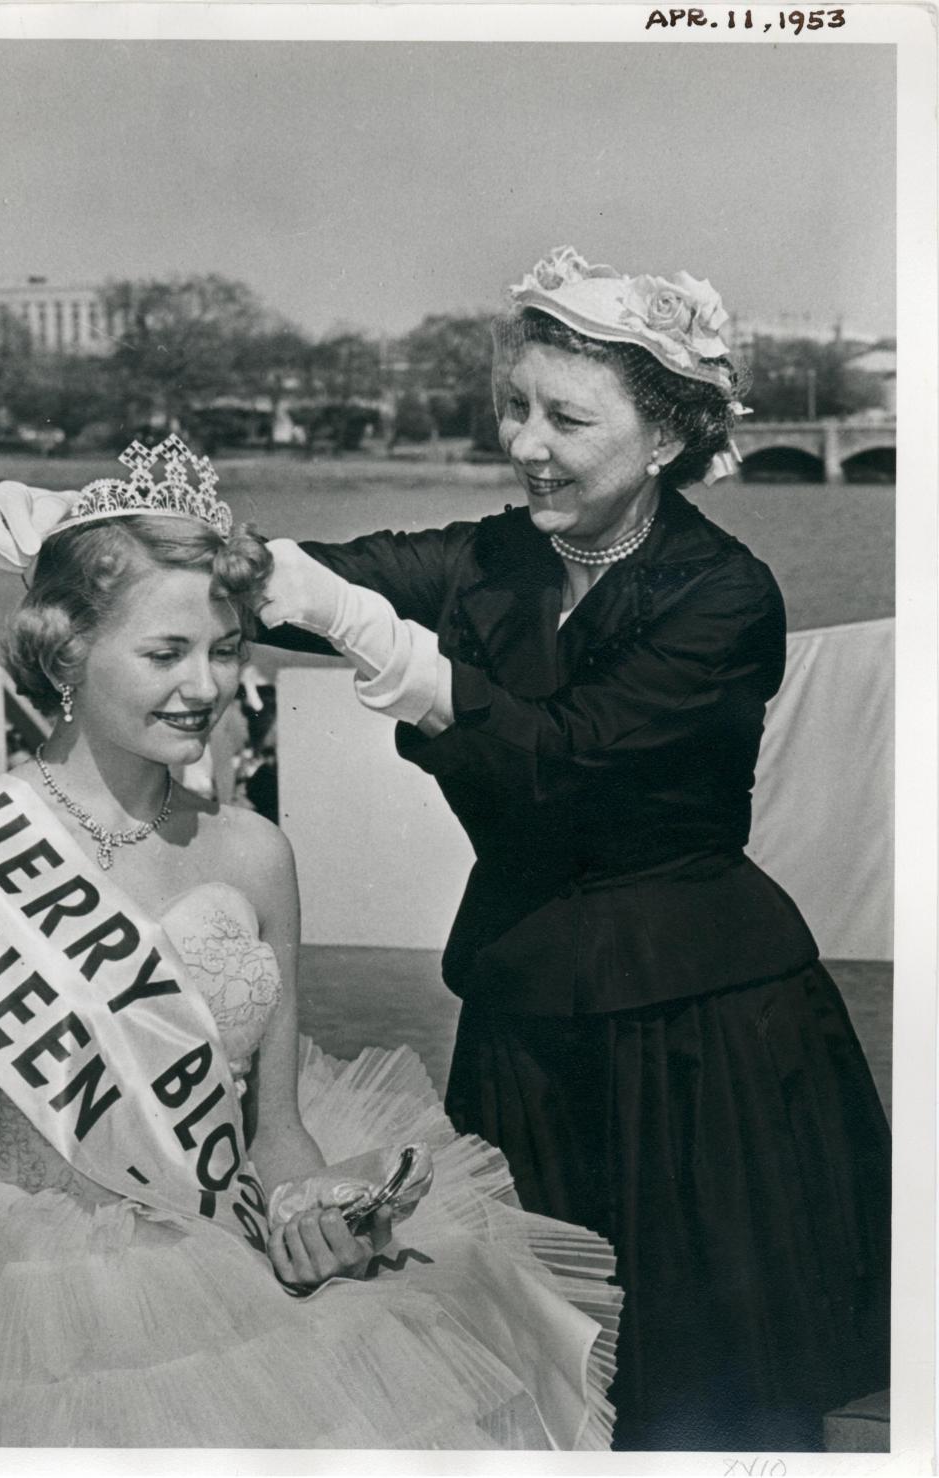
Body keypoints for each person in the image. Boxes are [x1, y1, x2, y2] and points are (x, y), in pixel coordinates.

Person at [0, 434, 621, 1449]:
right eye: (166, 652)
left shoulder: (255, 852)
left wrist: (312, 1207)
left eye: (225, 649)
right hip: (15, 1312)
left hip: (223, 1274)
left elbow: (274, 1132)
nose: (206, 685)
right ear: (65, 650)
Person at [254, 248, 891, 1450]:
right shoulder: (492, 554)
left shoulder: (724, 593)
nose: (525, 441)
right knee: (525, 1381)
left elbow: (558, 760)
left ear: (663, 437)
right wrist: (96, 526)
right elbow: (301, 576)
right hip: (526, 1022)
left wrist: (377, 641)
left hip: (703, 1047)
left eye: (565, 416)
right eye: (515, 406)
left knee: (697, 1405)